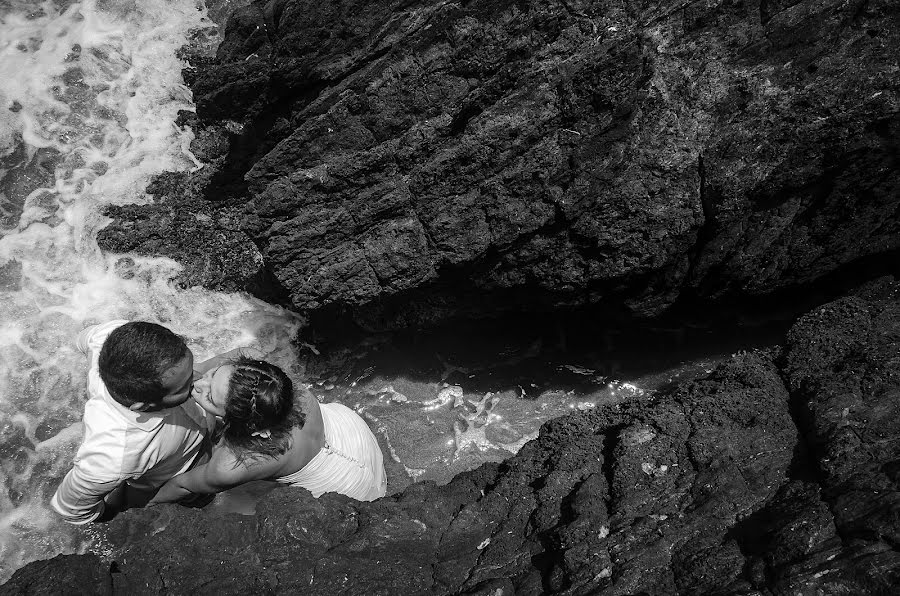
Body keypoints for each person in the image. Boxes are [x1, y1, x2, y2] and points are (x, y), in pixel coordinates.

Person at [150, 357, 386, 504]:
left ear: (252, 428)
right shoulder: (268, 382)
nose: (197, 386)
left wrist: (144, 503)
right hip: (351, 432)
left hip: (341, 488)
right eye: (213, 375)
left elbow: (182, 485)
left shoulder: (233, 464)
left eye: (210, 396)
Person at [51, 320, 215, 524]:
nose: (201, 382)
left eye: (191, 372)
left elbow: (86, 337)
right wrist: (113, 511)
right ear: (143, 407)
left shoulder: (112, 338)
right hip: (182, 469)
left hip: (195, 432)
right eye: (184, 387)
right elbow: (71, 509)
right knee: (202, 499)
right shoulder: (113, 454)